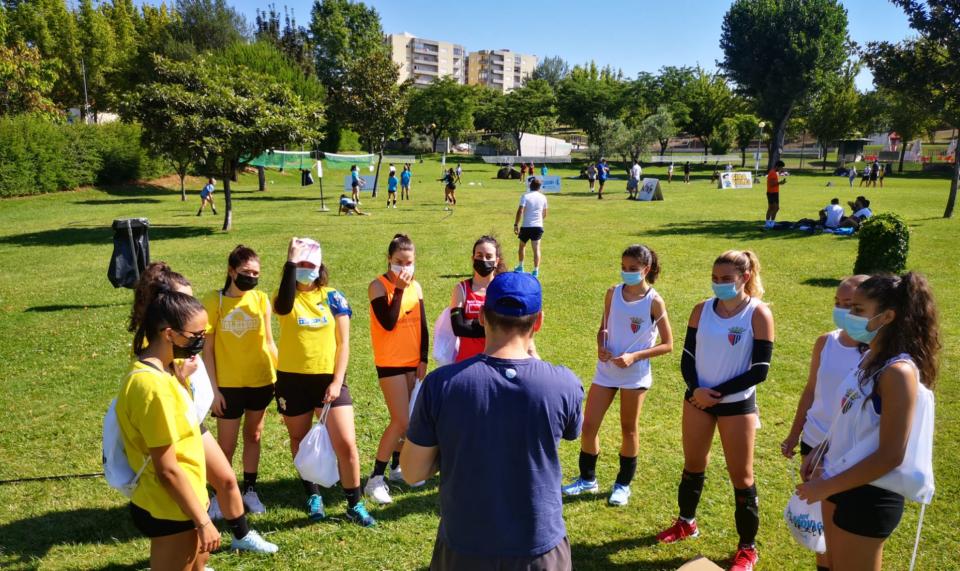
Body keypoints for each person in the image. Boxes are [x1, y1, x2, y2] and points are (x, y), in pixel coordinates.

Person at [400, 272, 584, 570]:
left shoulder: (441, 385)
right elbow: (570, 430)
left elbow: (412, 472)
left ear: (482, 317)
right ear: (538, 322)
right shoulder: (564, 383)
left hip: (464, 547)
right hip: (539, 548)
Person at [128, 263, 277, 556]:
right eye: (185, 299)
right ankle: (196, 534)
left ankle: (240, 534)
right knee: (186, 490)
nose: (192, 305)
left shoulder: (181, 338)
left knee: (226, 478)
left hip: (191, 418)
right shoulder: (156, 347)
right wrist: (182, 379)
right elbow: (161, 391)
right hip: (173, 427)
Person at [797, 273, 940, 570]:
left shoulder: (898, 373)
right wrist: (822, 450)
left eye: (858, 309)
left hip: (869, 494)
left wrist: (826, 487)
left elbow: (890, 455)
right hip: (839, 480)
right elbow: (850, 418)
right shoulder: (870, 358)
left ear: (887, 316)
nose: (849, 316)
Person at [657, 250, 774, 571]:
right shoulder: (701, 310)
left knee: (742, 476)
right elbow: (687, 358)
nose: (718, 283)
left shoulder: (758, 313)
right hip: (697, 400)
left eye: (726, 279)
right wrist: (696, 389)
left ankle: (747, 549)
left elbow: (760, 370)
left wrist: (716, 394)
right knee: (693, 464)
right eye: (714, 278)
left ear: (745, 277)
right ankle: (686, 523)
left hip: (736, 405)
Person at [272, 237, 375, 527]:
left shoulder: (333, 297)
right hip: (291, 380)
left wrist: (337, 381)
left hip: (328, 380)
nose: (305, 269)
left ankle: (354, 504)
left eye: (310, 264)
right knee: (299, 440)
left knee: (347, 444)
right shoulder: (284, 297)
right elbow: (283, 307)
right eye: (300, 264)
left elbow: (344, 344)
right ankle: (313, 494)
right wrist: (290, 260)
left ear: (319, 267)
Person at [562, 245, 674, 506]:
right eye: (623, 267)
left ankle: (623, 485)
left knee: (628, 429)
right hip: (606, 371)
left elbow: (668, 344)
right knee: (589, 425)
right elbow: (603, 328)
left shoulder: (654, 301)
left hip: (634, 375)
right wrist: (601, 345)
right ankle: (587, 479)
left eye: (633, 269)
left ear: (646, 269)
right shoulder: (612, 293)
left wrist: (634, 357)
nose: (627, 272)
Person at [121, 290, 218, 571]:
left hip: (186, 501)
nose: (201, 340)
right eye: (196, 334)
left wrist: (181, 380)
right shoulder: (153, 389)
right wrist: (203, 521)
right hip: (172, 507)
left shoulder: (165, 371)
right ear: (168, 333)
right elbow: (167, 469)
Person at [781, 275, 867, 571]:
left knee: (844, 526)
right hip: (814, 444)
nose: (842, 310)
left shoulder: (876, 354)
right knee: (820, 525)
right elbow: (810, 390)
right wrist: (794, 434)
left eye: (850, 304)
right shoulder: (825, 342)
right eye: (837, 303)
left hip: (850, 449)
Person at [201, 245, 277, 519]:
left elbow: (269, 342)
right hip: (228, 386)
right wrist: (214, 390)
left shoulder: (261, 299)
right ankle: (220, 494)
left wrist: (281, 375)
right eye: (246, 272)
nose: (252, 277)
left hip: (261, 381)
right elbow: (207, 349)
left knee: (254, 436)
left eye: (256, 273)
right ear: (231, 271)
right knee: (226, 445)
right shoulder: (215, 301)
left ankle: (250, 490)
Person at [365, 234, 429, 504]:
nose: (404, 267)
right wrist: (399, 290)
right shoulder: (378, 287)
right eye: (399, 261)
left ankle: (396, 467)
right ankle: (375, 479)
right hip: (390, 362)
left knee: (409, 421)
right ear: (389, 259)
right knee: (400, 421)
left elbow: (422, 325)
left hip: (412, 362)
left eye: (409, 262)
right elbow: (388, 322)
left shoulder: (417, 286)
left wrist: (423, 359)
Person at [449, 236, 506, 363]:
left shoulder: (503, 289)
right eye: (479, 255)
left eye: (488, 256)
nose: (483, 260)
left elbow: (507, 328)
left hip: (496, 362)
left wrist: (471, 322)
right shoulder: (461, 289)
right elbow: (458, 328)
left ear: (496, 261)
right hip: (466, 362)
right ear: (473, 258)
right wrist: (492, 326)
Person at [514, 177, 548, 279]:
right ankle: (536, 270)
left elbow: (520, 210)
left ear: (530, 185)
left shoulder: (525, 196)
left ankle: (520, 266)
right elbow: (545, 213)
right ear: (539, 187)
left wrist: (516, 224)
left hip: (526, 226)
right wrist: (539, 220)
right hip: (538, 226)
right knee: (536, 249)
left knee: (522, 246)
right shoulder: (543, 197)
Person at [764, 160, 786, 229]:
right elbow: (771, 184)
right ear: (777, 166)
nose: (781, 169)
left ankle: (770, 223)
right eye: (781, 167)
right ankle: (770, 223)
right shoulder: (772, 173)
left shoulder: (774, 173)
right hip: (771, 193)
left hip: (774, 193)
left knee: (773, 208)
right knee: (774, 208)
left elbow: (774, 183)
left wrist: (780, 183)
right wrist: (779, 183)